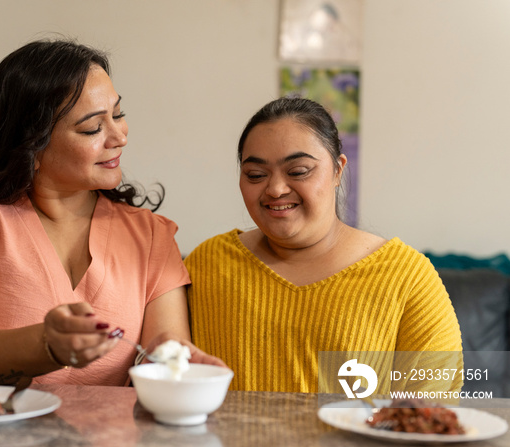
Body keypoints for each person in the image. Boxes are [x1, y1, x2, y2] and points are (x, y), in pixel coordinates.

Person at [0, 39, 224, 386]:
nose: (118, 136)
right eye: (92, 128)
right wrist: (47, 346)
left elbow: (161, 350)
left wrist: (170, 358)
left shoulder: (150, 235)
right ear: (32, 144)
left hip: (95, 437)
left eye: (118, 114)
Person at [184, 97, 463, 393]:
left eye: (299, 171)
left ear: (337, 171)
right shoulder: (205, 264)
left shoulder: (406, 277)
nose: (276, 189)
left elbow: (433, 408)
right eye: (256, 175)